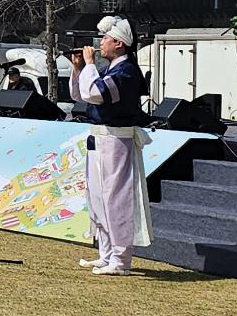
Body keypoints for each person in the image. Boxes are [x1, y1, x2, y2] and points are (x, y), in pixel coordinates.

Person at [69, 16, 152, 277]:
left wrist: (90, 65)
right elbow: (80, 95)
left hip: (117, 139)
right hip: (99, 138)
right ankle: (105, 254)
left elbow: (95, 94)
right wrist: (79, 69)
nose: (100, 43)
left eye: (104, 39)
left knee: (116, 198)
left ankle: (120, 259)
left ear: (119, 43)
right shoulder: (111, 69)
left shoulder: (126, 71)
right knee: (97, 198)